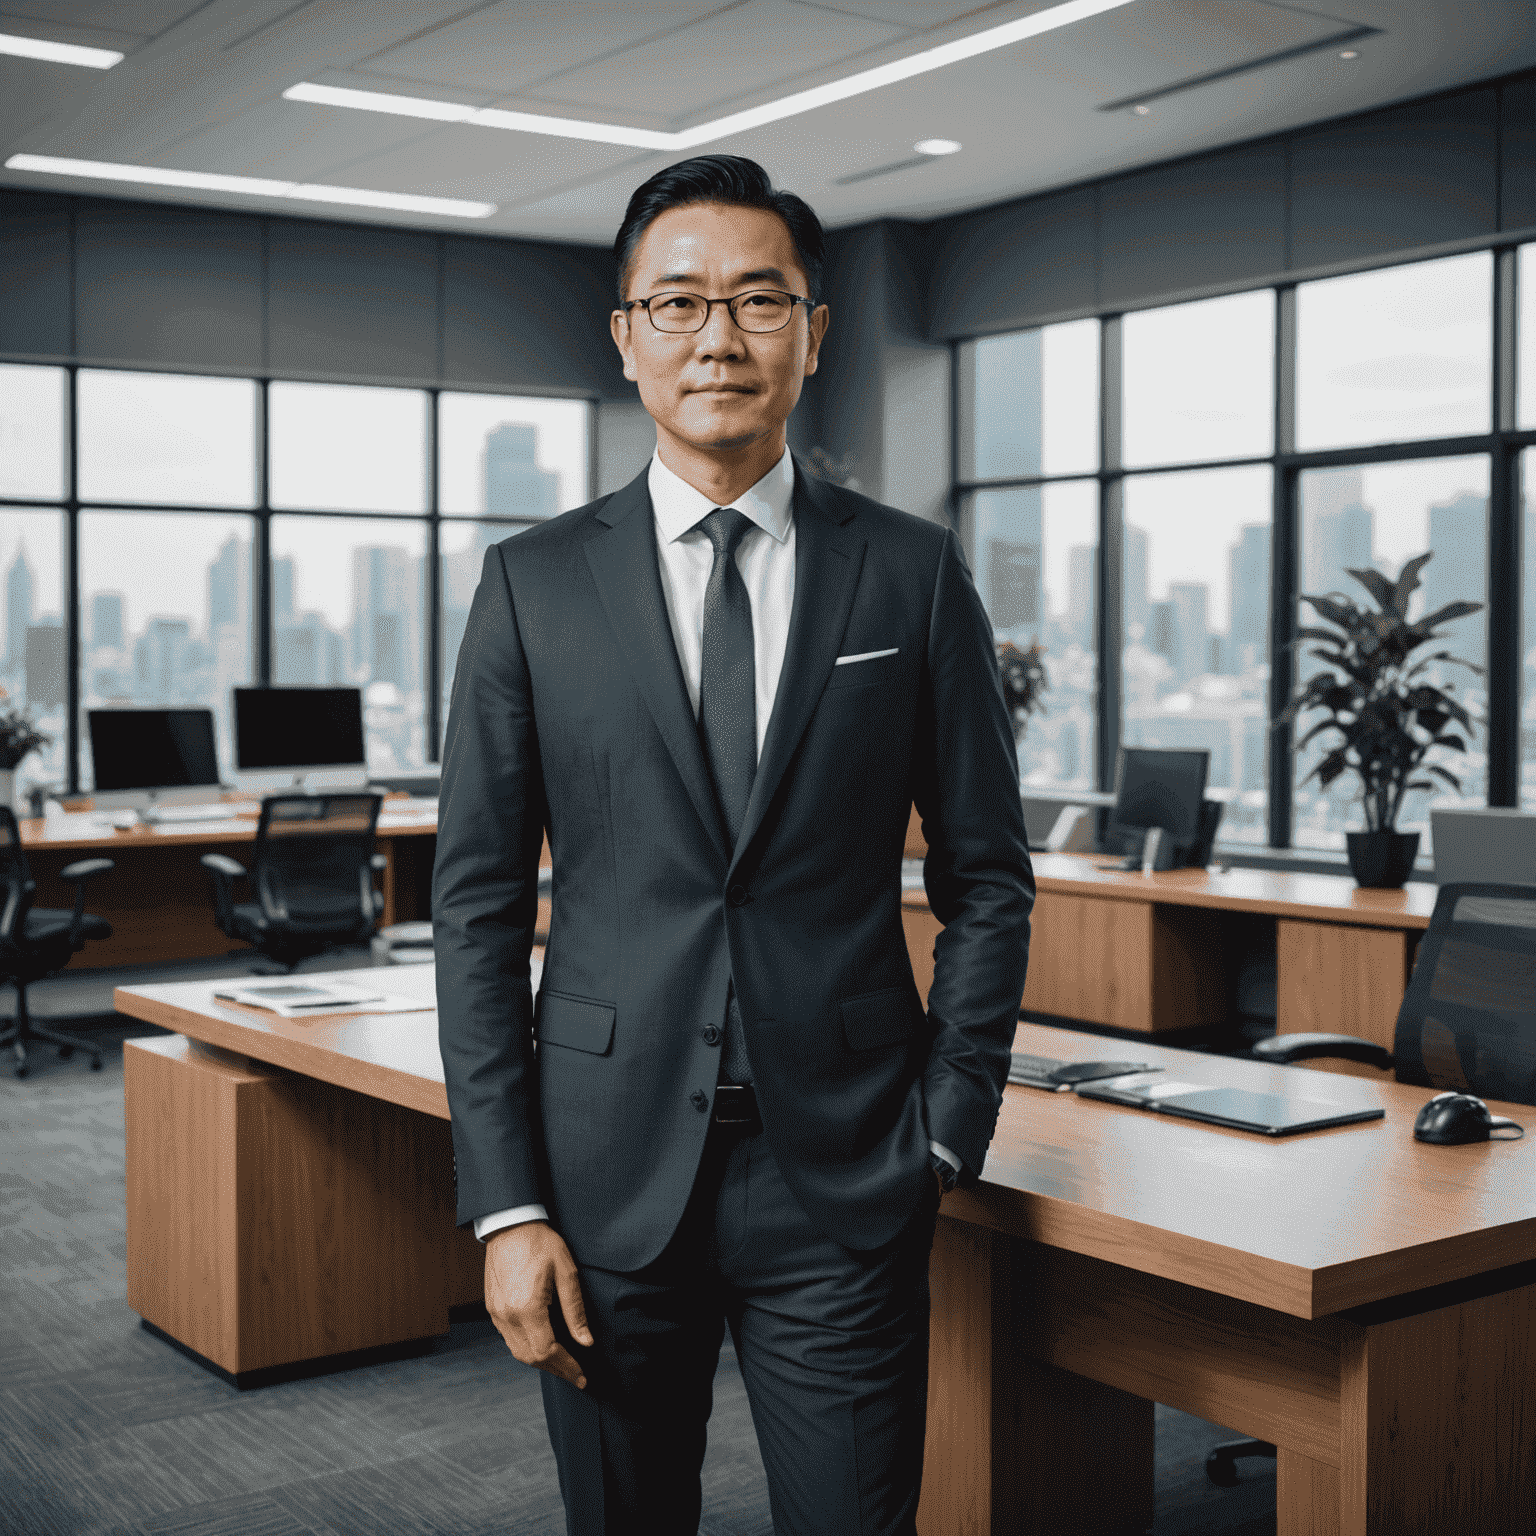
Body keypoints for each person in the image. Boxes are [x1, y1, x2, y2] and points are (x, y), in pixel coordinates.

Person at [434, 153, 1033, 1535]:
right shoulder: (531, 585)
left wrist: (949, 1128)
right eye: (681, 302)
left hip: (844, 1176)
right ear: (627, 338)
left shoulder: (908, 570)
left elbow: (988, 876)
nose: (720, 335)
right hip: (598, 1181)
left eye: (761, 300)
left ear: (814, 335)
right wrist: (504, 1205)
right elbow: (472, 909)